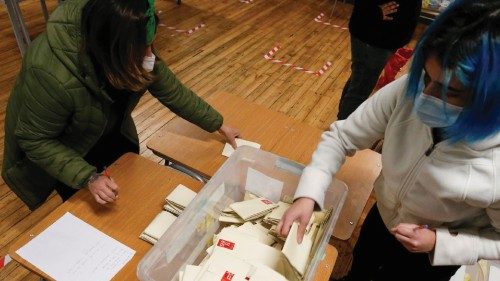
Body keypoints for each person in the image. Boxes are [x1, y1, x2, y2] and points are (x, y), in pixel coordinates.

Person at [278, 0, 500, 280]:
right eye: (425, 75)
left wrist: (441, 244)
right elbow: (342, 136)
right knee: (360, 267)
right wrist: (309, 193)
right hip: (382, 219)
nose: (425, 95)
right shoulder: (407, 90)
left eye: (450, 92)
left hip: (431, 258)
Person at [2, 0, 240, 210]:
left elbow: (171, 89)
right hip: (66, 144)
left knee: (129, 193)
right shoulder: (50, 73)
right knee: (89, 210)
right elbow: (35, 139)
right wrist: (88, 178)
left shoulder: (125, 35)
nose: (150, 56)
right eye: (140, 50)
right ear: (111, 51)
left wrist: (218, 124)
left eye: (151, 44)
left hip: (106, 124)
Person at [337, 0, 422, 120]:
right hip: (373, 35)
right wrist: (371, 10)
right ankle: (342, 132)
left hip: (386, 37)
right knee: (360, 87)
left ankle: (341, 125)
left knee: (359, 80)